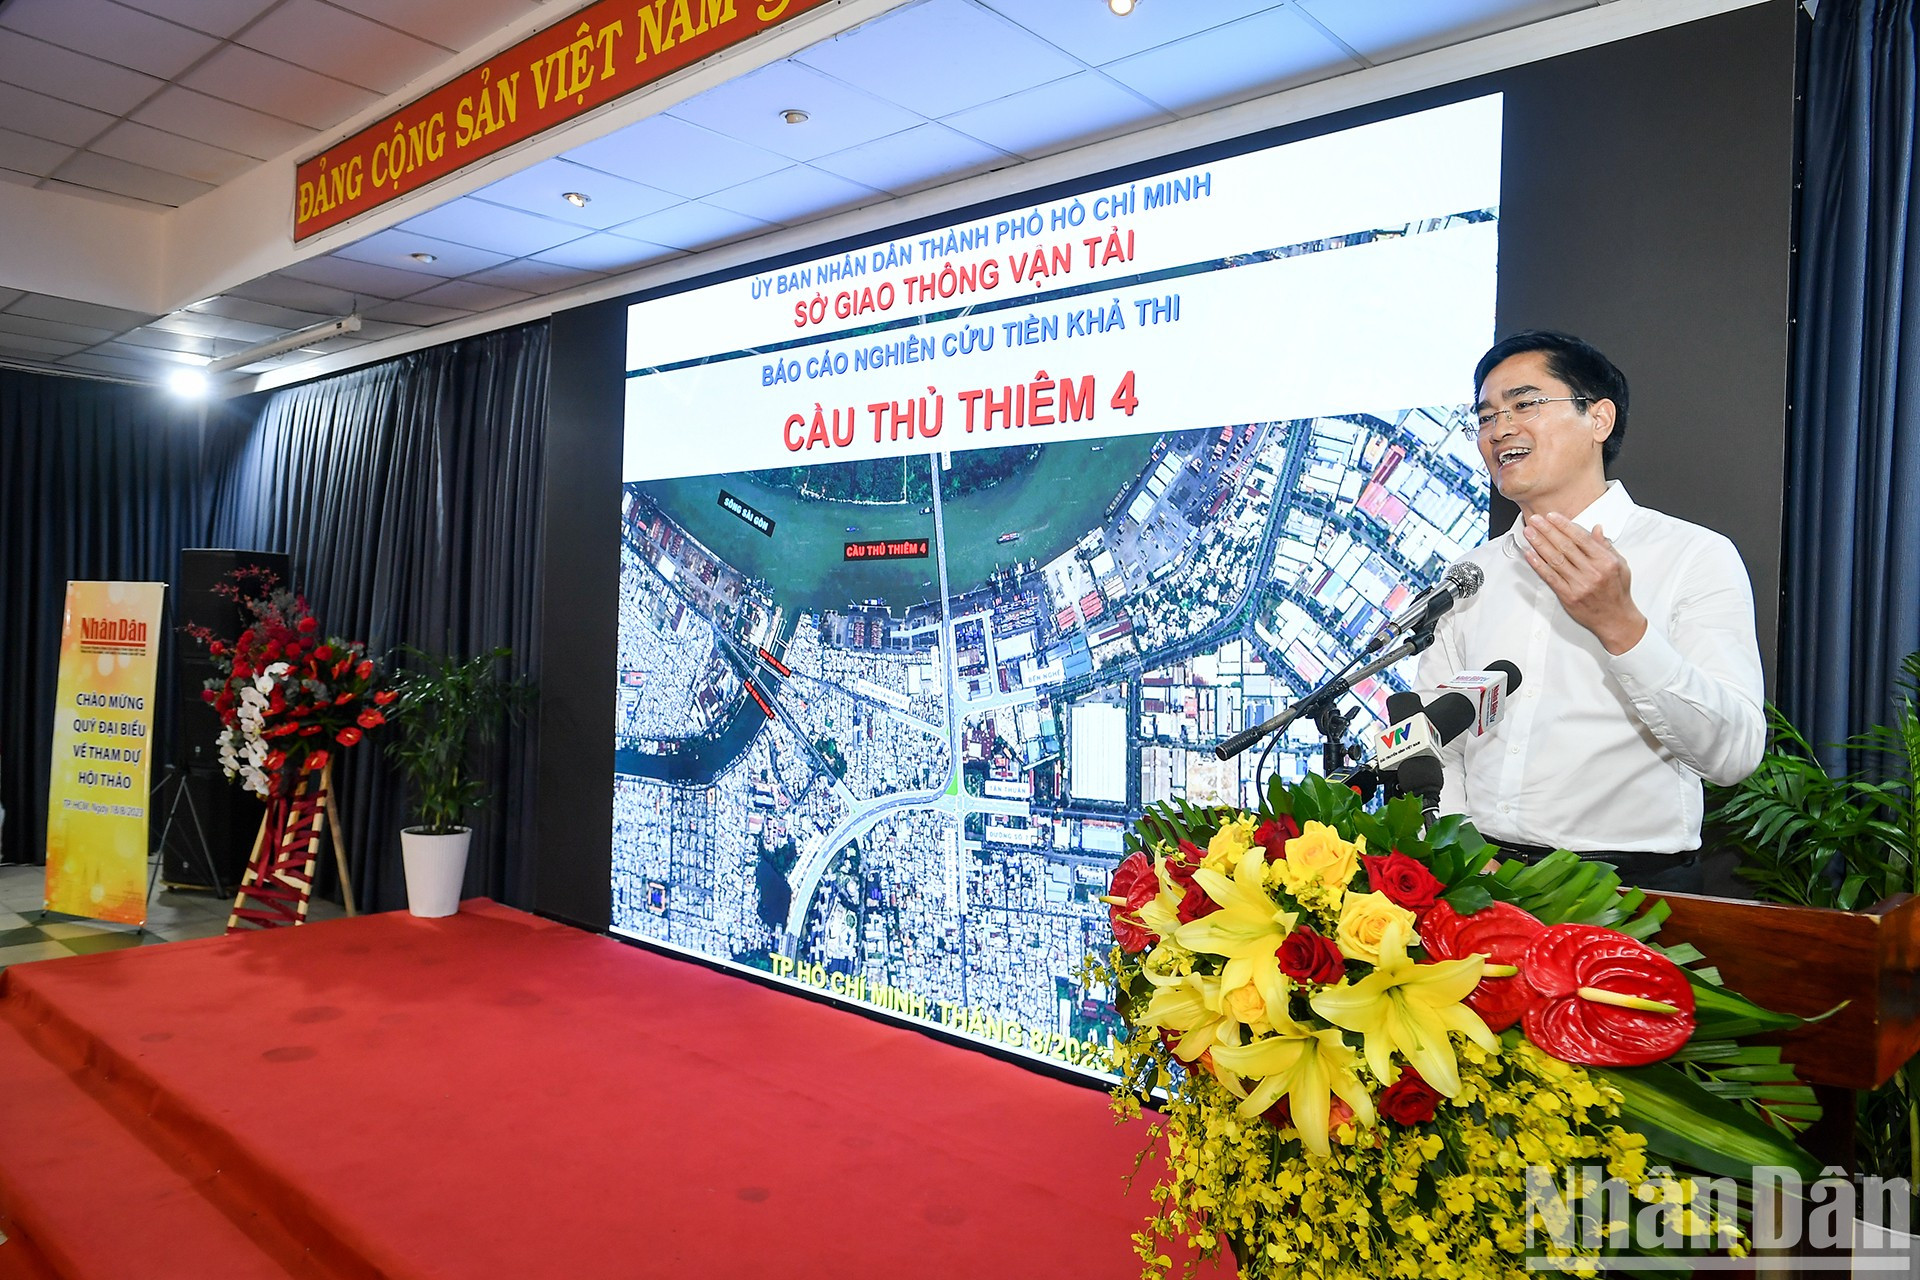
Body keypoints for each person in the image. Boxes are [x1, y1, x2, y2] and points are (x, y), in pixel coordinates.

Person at [1412, 330, 1765, 893]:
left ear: (1598, 419)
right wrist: (1463, 847)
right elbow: (1434, 734)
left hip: (1630, 891)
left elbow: (1734, 754)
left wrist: (1621, 627)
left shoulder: (1693, 555)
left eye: (1524, 404)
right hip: (1481, 878)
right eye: (1485, 416)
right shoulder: (1471, 574)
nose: (1499, 429)